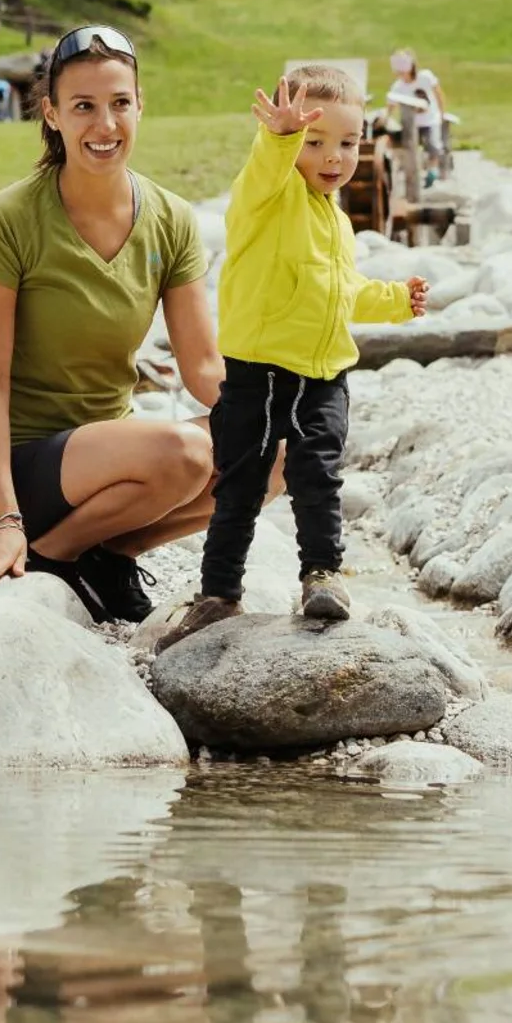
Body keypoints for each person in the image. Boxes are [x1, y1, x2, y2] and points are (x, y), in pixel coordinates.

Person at [0, 24, 224, 623]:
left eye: (119, 103)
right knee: (183, 452)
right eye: (84, 107)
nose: (105, 125)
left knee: (276, 450)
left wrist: (277, 414)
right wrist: (2, 520)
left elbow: (203, 367)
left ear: (140, 105)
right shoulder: (9, 218)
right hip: (11, 467)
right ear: (51, 115)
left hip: (115, 459)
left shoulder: (172, 219)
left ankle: (107, 555)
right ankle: (51, 554)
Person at [154, 65, 427, 652]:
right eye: (315, 140)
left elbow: (344, 291)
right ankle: (219, 593)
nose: (334, 157)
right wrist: (278, 137)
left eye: (348, 143)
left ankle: (321, 576)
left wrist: (399, 301)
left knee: (318, 478)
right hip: (259, 375)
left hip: (325, 375)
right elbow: (267, 166)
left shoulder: (335, 218)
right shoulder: (267, 195)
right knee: (240, 485)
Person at [387, 48, 447, 172]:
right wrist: (386, 118)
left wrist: (442, 113)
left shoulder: (425, 77)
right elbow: (390, 105)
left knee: (433, 145)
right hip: (410, 124)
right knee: (409, 147)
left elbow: (439, 94)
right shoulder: (397, 86)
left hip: (430, 120)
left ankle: (433, 169)